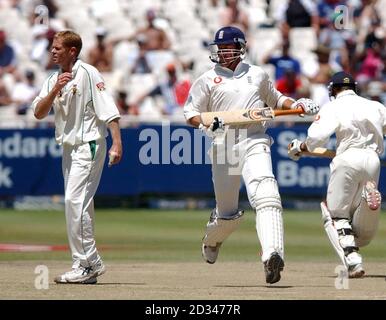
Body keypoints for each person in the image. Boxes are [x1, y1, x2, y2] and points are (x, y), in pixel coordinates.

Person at [184, 26, 319, 284]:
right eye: (220, 48)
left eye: (228, 47)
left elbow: (277, 100)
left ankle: (272, 255)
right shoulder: (206, 79)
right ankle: (212, 239)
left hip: (255, 139)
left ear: (240, 48)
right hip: (224, 145)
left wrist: (298, 105)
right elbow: (190, 113)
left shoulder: (257, 74)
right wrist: (206, 122)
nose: (223, 52)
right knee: (227, 214)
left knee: (267, 194)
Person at [32, 30, 123, 284]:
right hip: (69, 150)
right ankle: (84, 264)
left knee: (76, 201)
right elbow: (38, 112)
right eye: (52, 47)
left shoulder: (88, 73)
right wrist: (55, 90)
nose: (52, 51)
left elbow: (108, 110)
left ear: (72, 51)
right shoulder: (52, 79)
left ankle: (88, 263)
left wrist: (117, 142)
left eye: (58, 48)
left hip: (89, 145)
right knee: (79, 204)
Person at [288, 71, 385, 278]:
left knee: (335, 214)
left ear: (333, 89)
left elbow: (316, 137)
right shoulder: (375, 106)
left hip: (347, 159)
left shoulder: (332, 106)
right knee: (357, 223)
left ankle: (353, 260)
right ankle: (369, 204)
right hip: (373, 160)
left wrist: (302, 146)